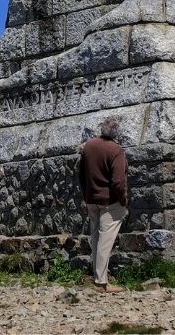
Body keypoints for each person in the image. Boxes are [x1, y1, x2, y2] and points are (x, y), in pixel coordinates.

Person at [78, 117, 128, 293]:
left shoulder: (88, 146)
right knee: (104, 242)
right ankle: (100, 283)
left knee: (96, 239)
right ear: (116, 131)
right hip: (110, 202)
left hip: (91, 199)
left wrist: (86, 195)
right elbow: (118, 182)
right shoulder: (116, 150)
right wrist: (123, 199)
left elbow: (80, 173)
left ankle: (98, 278)